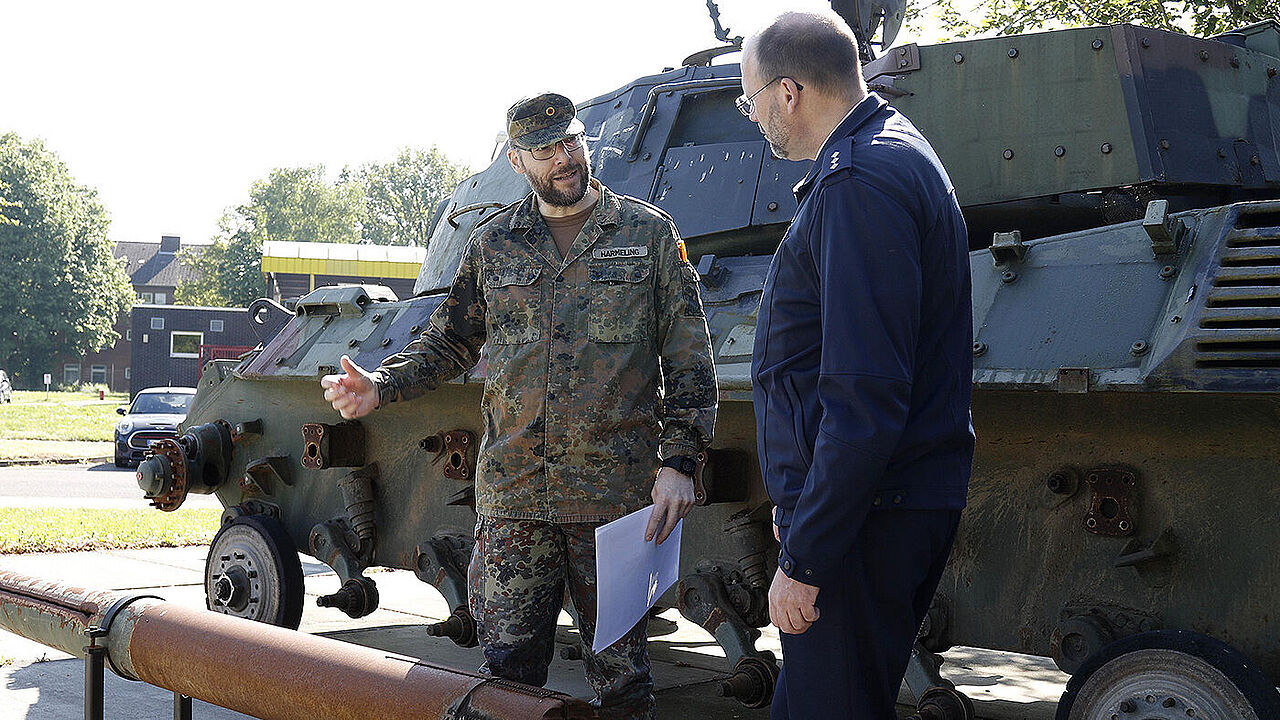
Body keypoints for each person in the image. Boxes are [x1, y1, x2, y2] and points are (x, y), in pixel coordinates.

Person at [319, 92, 717, 720]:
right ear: (518, 159)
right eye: (545, 149)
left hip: (613, 501)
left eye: (571, 141)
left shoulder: (649, 236)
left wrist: (681, 462)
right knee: (508, 680)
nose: (564, 158)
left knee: (622, 680)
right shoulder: (494, 243)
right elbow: (449, 342)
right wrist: (381, 385)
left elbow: (691, 359)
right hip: (515, 501)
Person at [741, 12, 974, 720]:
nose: (751, 117)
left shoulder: (858, 181)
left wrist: (807, 557)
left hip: (866, 524)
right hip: (876, 512)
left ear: (789, 92)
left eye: (749, 99)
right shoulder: (889, 153)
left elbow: (863, 396)